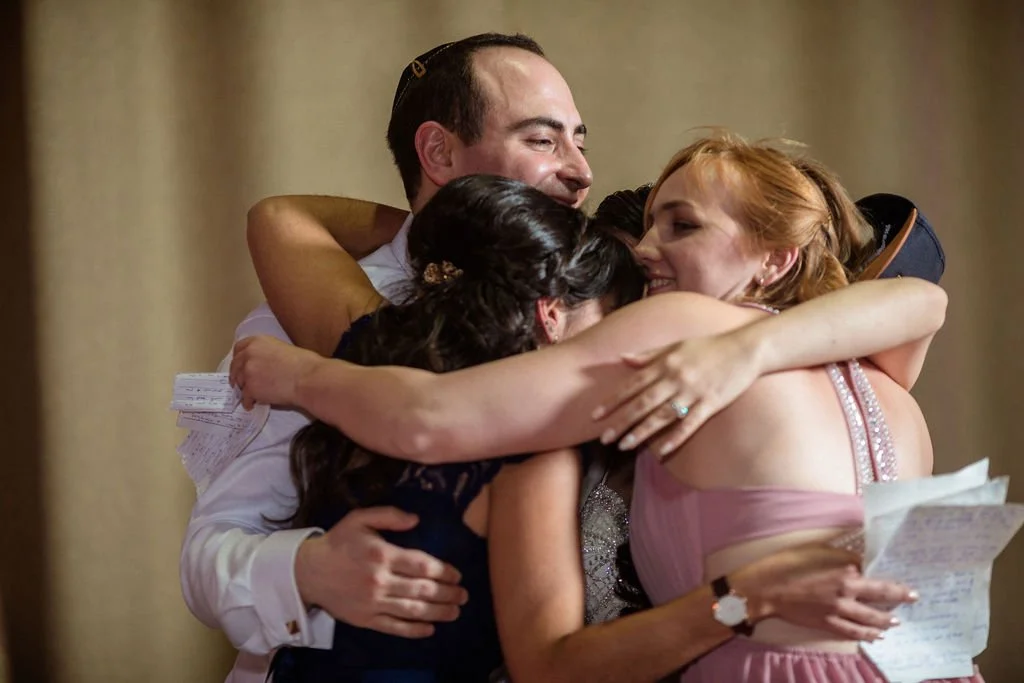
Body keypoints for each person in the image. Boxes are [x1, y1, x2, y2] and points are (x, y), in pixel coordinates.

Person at [231, 136, 958, 681]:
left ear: (776, 258)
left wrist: (301, 377)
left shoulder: (685, 328)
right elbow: (924, 301)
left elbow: (431, 419)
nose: (644, 248)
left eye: (682, 225)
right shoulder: (893, 387)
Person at [179, 32, 595, 682]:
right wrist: (306, 570)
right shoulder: (314, 310)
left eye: (580, 140)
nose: (580, 171)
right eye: (543, 140)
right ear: (439, 152)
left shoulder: (593, 293)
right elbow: (209, 551)